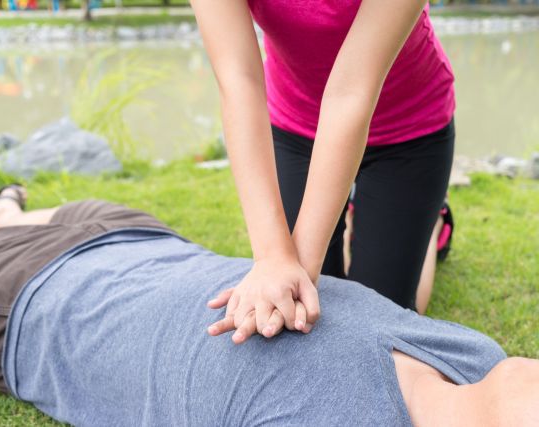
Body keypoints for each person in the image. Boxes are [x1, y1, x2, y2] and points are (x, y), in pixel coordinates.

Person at [0, 186, 537, 426]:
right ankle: (2, 212)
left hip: (27, 301)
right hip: (146, 240)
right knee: (58, 211)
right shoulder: (476, 358)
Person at [190, 0, 456, 340]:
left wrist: (298, 273)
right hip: (297, 125)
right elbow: (238, 80)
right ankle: (357, 221)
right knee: (316, 307)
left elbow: (351, 89)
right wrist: (273, 259)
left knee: (378, 318)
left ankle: (430, 225)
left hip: (408, 128)